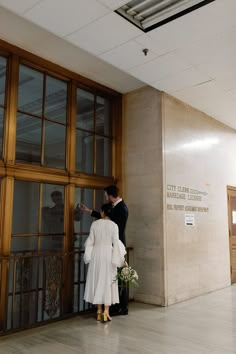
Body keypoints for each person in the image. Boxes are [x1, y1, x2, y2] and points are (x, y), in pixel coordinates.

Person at [81, 185, 129, 315]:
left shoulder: (122, 208)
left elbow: (115, 226)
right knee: (110, 278)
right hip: (111, 247)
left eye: (106, 195)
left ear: (110, 195)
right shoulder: (113, 210)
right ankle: (111, 307)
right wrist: (90, 211)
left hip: (116, 247)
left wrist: (119, 255)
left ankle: (121, 307)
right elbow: (108, 219)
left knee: (118, 278)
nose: (105, 197)